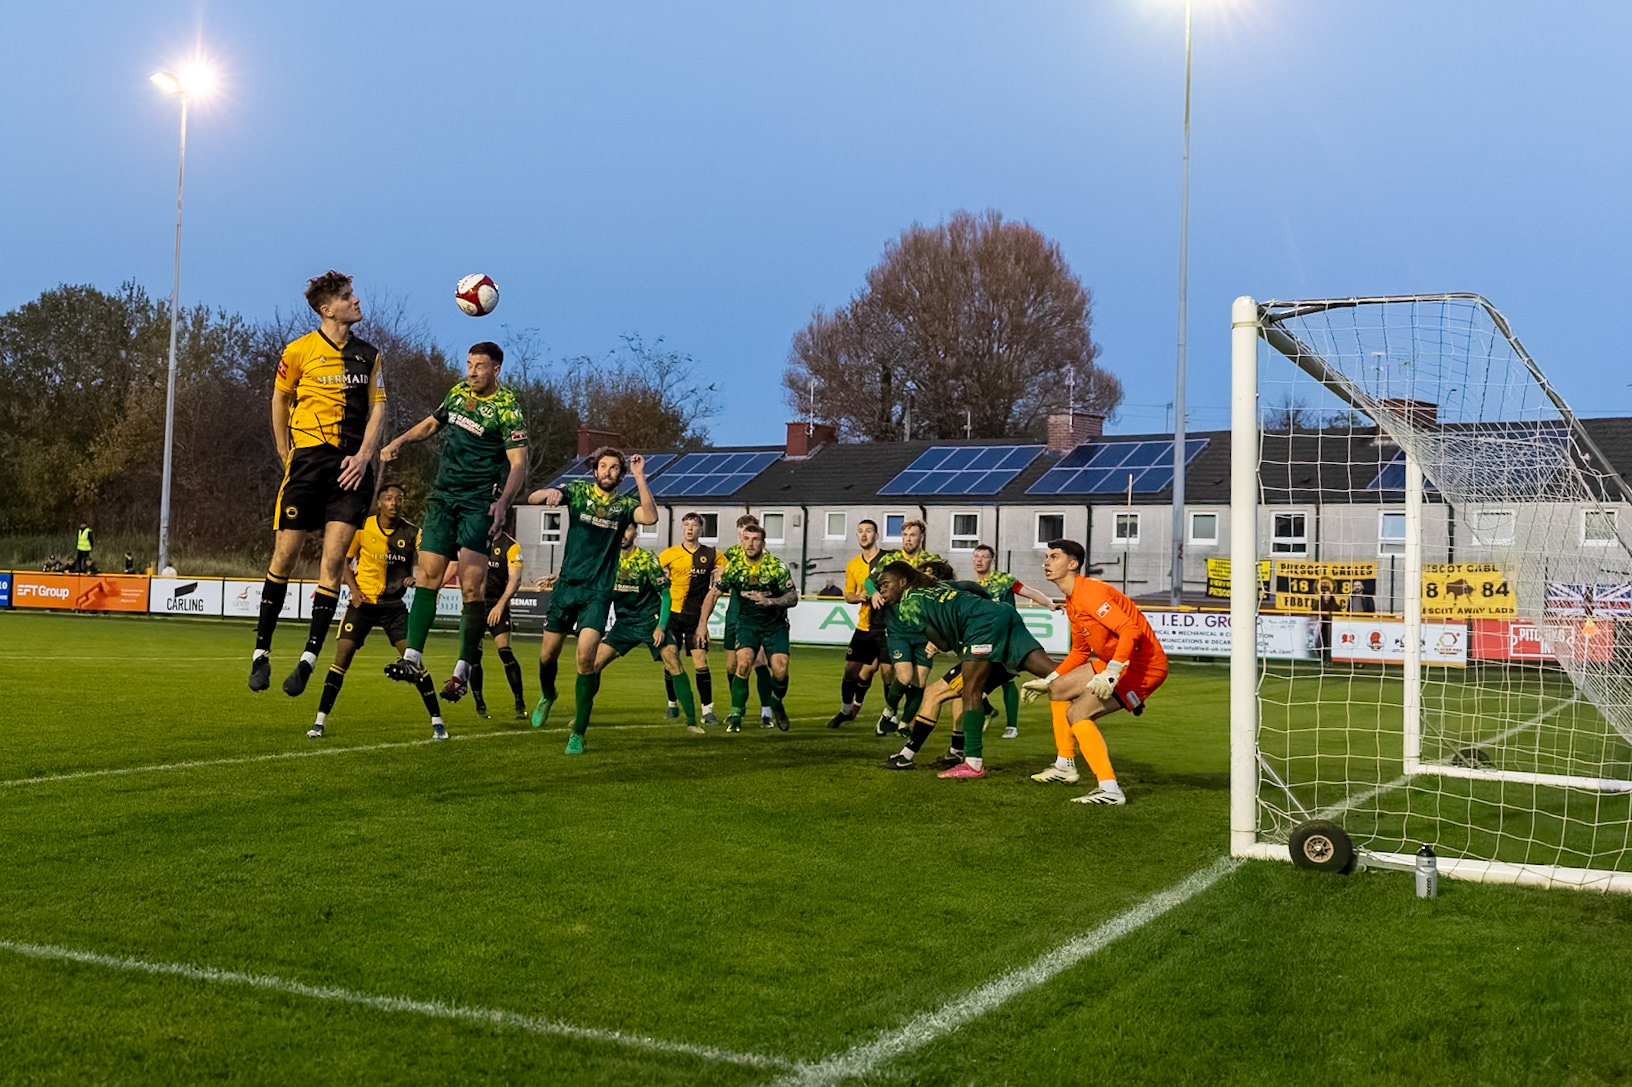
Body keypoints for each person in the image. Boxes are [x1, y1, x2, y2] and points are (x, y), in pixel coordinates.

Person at [251, 271, 387, 697]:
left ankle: (308, 658)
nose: (356, 300)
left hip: (350, 470)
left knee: (332, 565)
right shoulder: (298, 351)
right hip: (307, 463)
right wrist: (284, 451)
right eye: (348, 297)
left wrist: (365, 457)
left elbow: (379, 409)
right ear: (327, 308)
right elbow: (279, 399)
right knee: (286, 556)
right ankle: (261, 653)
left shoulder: (369, 356)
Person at [378, 342, 529, 705]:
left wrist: (502, 502)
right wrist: (400, 440)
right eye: (468, 364)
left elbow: (519, 464)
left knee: (472, 587)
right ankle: (412, 657)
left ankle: (462, 670)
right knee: (429, 575)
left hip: (478, 503)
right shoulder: (458, 393)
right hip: (442, 498)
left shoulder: (508, 408)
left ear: (496, 370)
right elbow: (432, 423)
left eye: (479, 366)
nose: (471, 371)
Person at [526, 448, 659, 753]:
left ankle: (578, 732)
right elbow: (534, 498)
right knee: (548, 655)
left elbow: (650, 517)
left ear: (620, 475)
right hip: (567, 588)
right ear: (595, 470)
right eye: (603, 466)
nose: (608, 472)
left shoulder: (625, 505)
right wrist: (549, 495)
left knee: (586, 659)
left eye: (615, 468)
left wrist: (641, 477)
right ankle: (548, 695)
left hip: (597, 593)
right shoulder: (577, 490)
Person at [874, 561, 1058, 779]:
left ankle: (972, 763)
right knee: (1056, 673)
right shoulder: (939, 586)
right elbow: (973, 587)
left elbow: (942, 643)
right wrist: (987, 606)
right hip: (1003, 615)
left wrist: (945, 638)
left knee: (969, 692)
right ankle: (1097, 679)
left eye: (885, 583)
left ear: (903, 582)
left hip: (981, 628)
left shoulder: (907, 606)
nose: (882, 589)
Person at [1022, 538, 1170, 806]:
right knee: (1059, 690)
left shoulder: (1090, 593)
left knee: (1077, 712)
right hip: (1116, 661)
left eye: (1054, 556)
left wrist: (1112, 672)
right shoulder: (1073, 602)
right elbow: (1079, 652)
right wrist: (1050, 679)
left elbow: (1129, 630)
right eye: (1046, 557)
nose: (1046, 562)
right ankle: (1065, 765)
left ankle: (1110, 789)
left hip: (1143, 665)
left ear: (1073, 564)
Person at [306, 483, 446, 739]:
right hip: (363, 605)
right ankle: (319, 721)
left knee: (413, 662)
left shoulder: (413, 532)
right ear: (379, 502)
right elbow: (344, 563)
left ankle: (437, 722)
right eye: (388, 498)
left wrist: (416, 578)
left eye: (399, 499)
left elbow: (428, 562)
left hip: (394, 608)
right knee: (342, 659)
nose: (394, 503)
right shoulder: (362, 528)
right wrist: (354, 590)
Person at [587, 522, 702, 734]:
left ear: (635, 533)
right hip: (625, 624)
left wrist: (660, 626)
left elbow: (665, 595)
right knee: (592, 665)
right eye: (619, 530)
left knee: (673, 663)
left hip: (651, 621)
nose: (622, 534)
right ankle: (583, 714)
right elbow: (588, 580)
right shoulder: (607, 560)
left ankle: (693, 722)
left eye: (627, 529)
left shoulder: (647, 560)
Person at [699, 523, 796, 731]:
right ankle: (736, 714)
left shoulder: (776, 567)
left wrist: (771, 602)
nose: (750, 544)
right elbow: (713, 594)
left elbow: (792, 597)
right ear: (741, 541)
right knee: (743, 663)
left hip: (774, 624)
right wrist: (701, 625)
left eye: (755, 539)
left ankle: (776, 701)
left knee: (780, 670)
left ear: (763, 543)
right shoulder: (734, 568)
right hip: (747, 623)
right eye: (746, 539)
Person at [971, 543, 1058, 739]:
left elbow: (1030, 592)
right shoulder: (971, 586)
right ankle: (987, 711)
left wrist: (1049, 604)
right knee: (973, 679)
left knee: (1007, 680)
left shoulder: (1003, 580)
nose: (979, 560)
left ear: (991, 560)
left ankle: (1012, 726)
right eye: (976, 556)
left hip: (1007, 638)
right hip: (983, 639)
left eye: (984, 557)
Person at [864, 520, 942, 736]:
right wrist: (874, 593)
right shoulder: (891, 560)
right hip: (898, 630)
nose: (908, 539)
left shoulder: (931, 561)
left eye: (913, 535)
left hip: (924, 631)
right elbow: (869, 581)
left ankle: (904, 724)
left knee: (920, 681)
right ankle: (889, 712)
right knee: (905, 677)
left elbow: (942, 588)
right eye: (905, 534)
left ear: (921, 537)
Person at [715, 514, 779, 727]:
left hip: (758, 616)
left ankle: (766, 711)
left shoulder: (765, 557)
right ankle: (738, 706)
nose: (746, 534)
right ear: (738, 532)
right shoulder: (732, 554)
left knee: (759, 661)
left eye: (750, 530)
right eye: (742, 530)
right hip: (734, 613)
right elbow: (717, 572)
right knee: (733, 664)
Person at [658, 511, 721, 726]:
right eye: (686, 525)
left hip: (696, 618)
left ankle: (707, 710)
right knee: (671, 662)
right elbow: (654, 571)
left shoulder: (711, 554)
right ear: (682, 528)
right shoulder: (670, 553)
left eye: (694, 525)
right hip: (673, 616)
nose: (690, 529)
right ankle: (672, 704)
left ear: (701, 529)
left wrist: (720, 572)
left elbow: (726, 567)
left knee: (700, 661)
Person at [827, 518, 887, 730]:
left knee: (878, 671)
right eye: (860, 531)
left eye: (868, 531)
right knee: (852, 670)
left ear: (876, 535)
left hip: (887, 626)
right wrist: (859, 596)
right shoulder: (853, 565)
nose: (864, 535)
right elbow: (848, 595)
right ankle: (845, 710)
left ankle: (892, 716)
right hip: (864, 625)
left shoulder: (887, 560)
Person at [468, 526, 527, 719]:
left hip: (496, 604)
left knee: (505, 653)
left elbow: (515, 579)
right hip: (476, 605)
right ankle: (480, 705)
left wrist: (501, 605)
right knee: (474, 657)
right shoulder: (475, 540)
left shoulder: (510, 546)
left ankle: (519, 702)